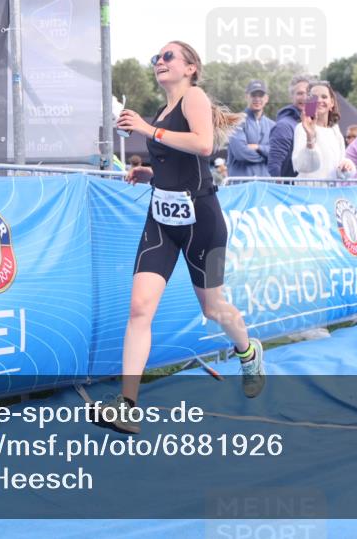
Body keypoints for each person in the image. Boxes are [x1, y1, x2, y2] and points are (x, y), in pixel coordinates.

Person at [111, 40, 265, 433]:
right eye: (156, 58)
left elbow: (203, 144)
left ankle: (248, 352)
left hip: (203, 221)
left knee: (213, 309)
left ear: (191, 67)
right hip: (162, 219)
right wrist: (149, 172)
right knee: (139, 308)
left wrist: (147, 129)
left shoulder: (194, 97)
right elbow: (177, 160)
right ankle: (127, 405)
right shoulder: (161, 111)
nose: (159, 62)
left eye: (168, 57)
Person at [291, 81, 356, 179]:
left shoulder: (335, 131)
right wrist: (310, 138)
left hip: (331, 188)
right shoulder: (301, 128)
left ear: (332, 103)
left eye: (324, 97)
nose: (319, 100)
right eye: (314, 97)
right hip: (309, 187)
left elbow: (339, 168)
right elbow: (302, 166)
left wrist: (346, 167)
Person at [227, 80, 275, 177]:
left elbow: (277, 153)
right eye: (253, 95)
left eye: (260, 95)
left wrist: (258, 147)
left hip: (265, 183)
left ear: (266, 98)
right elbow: (241, 153)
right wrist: (265, 156)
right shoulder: (235, 122)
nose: (257, 99)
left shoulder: (273, 125)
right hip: (242, 184)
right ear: (246, 97)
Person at [267, 75, 311, 177]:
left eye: (309, 93)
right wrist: (279, 185)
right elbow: (274, 165)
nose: (305, 97)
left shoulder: (319, 124)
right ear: (292, 97)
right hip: (292, 185)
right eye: (300, 93)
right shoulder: (284, 126)